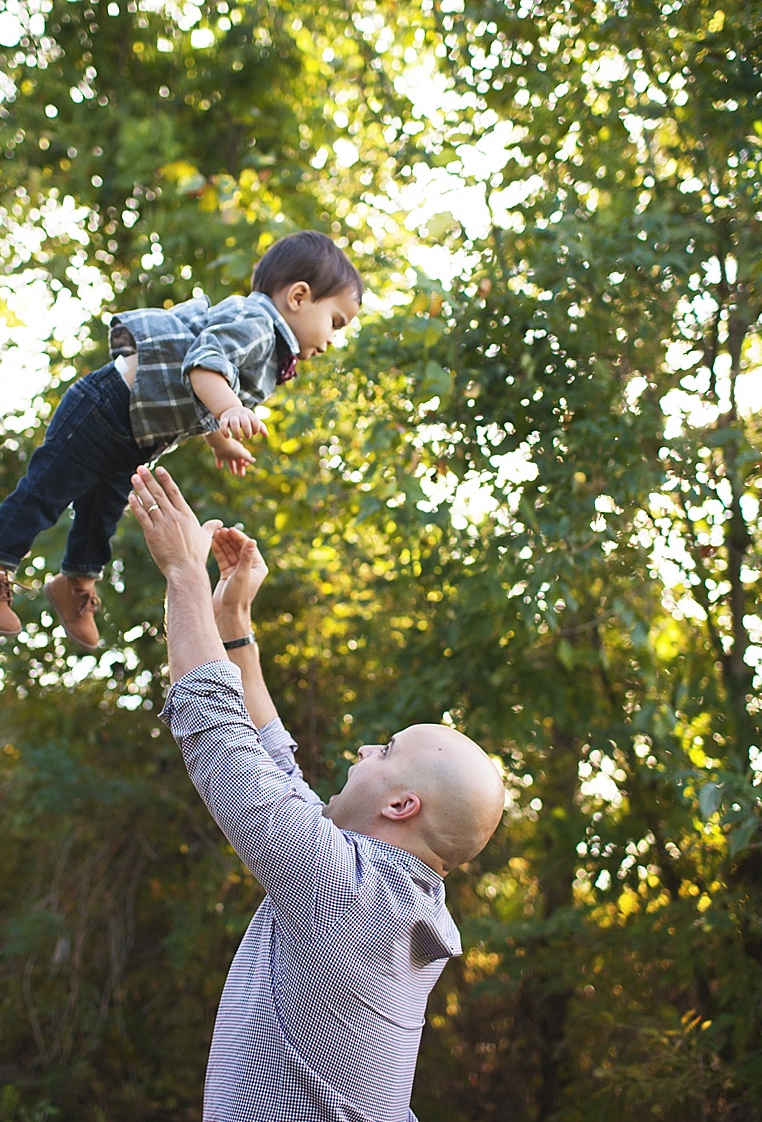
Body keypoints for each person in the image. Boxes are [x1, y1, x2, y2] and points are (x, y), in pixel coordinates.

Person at [127, 465, 507, 1122]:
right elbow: (274, 763)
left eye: (384, 752)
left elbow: (219, 734)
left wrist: (184, 574)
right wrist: (234, 618)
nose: (364, 750)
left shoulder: (348, 893)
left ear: (401, 806)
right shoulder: (388, 893)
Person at [0, 231, 364, 649]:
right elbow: (203, 366)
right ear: (298, 296)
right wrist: (230, 410)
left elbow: (200, 397)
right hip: (104, 407)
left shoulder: (266, 344)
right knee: (46, 491)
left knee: (102, 512)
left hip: (133, 431)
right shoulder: (256, 324)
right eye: (335, 322)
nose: (331, 340)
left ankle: (74, 582)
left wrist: (221, 439)